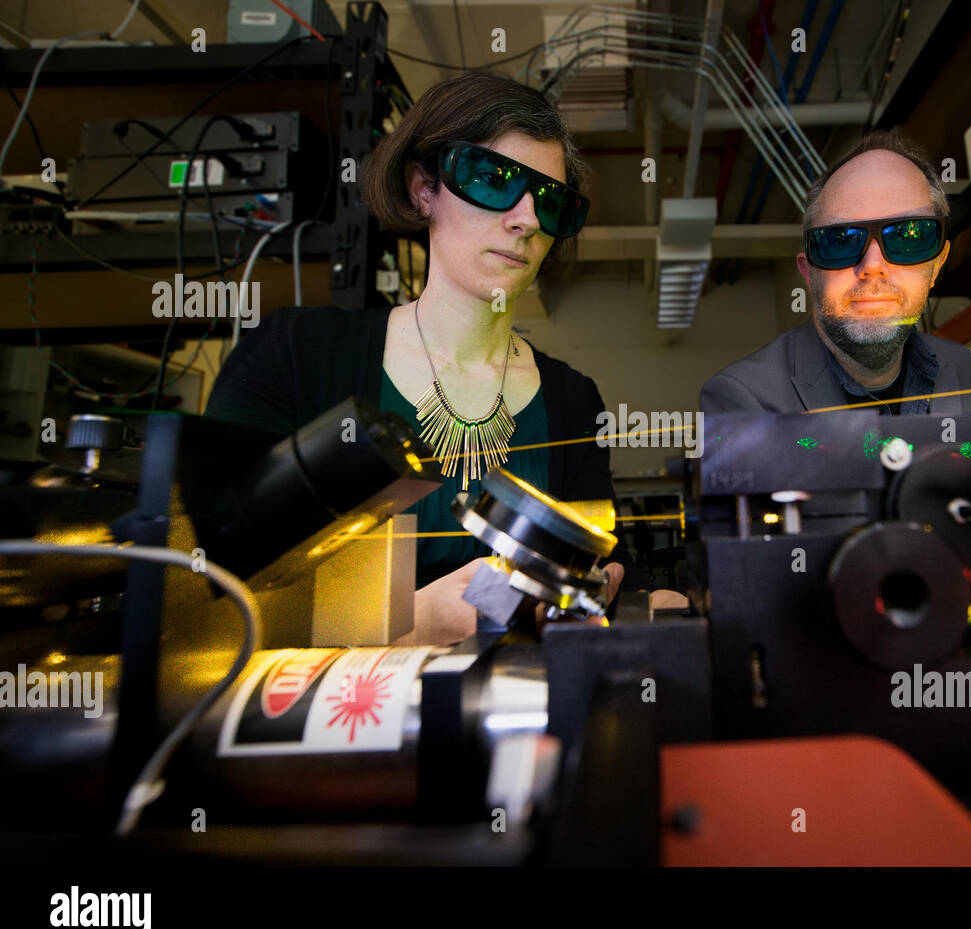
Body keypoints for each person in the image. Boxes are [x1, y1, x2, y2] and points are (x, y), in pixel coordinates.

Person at [206, 71, 658, 643]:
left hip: (517, 714)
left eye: (549, 201)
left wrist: (630, 592)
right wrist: (417, 625)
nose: (524, 220)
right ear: (424, 188)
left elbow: (600, 564)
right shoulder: (296, 355)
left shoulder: (571, 398)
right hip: (335, 720)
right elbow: (206, 596)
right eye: (494, 180)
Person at [700, 129, 971, 416]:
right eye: (841, 241)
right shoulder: (744, 398)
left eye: (908, 237)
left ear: (938, 264)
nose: (872, 266)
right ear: (809, 273)